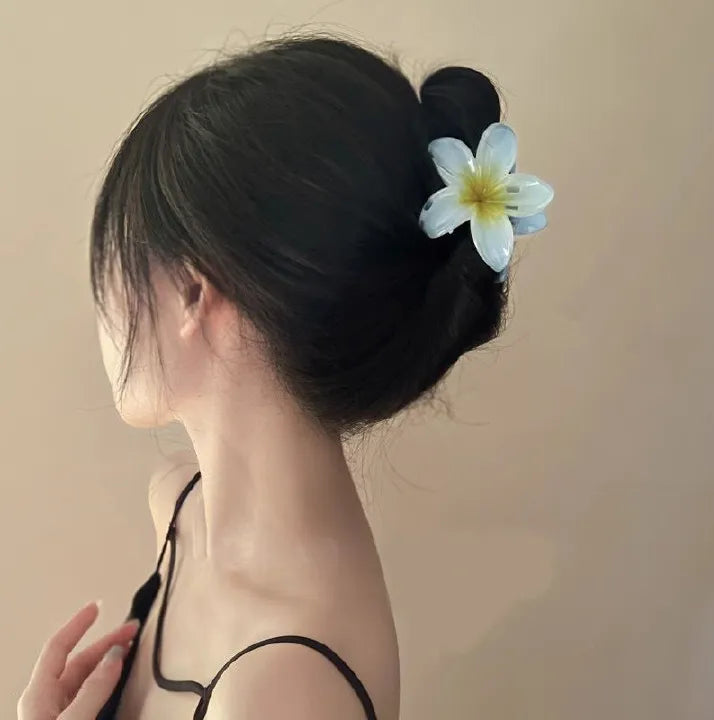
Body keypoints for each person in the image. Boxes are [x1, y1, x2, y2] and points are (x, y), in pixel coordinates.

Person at [17, 30, 552, 720]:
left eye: (117, 259)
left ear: (192, 291)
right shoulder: (179, 506)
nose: (102, 302)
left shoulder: (282, 691)